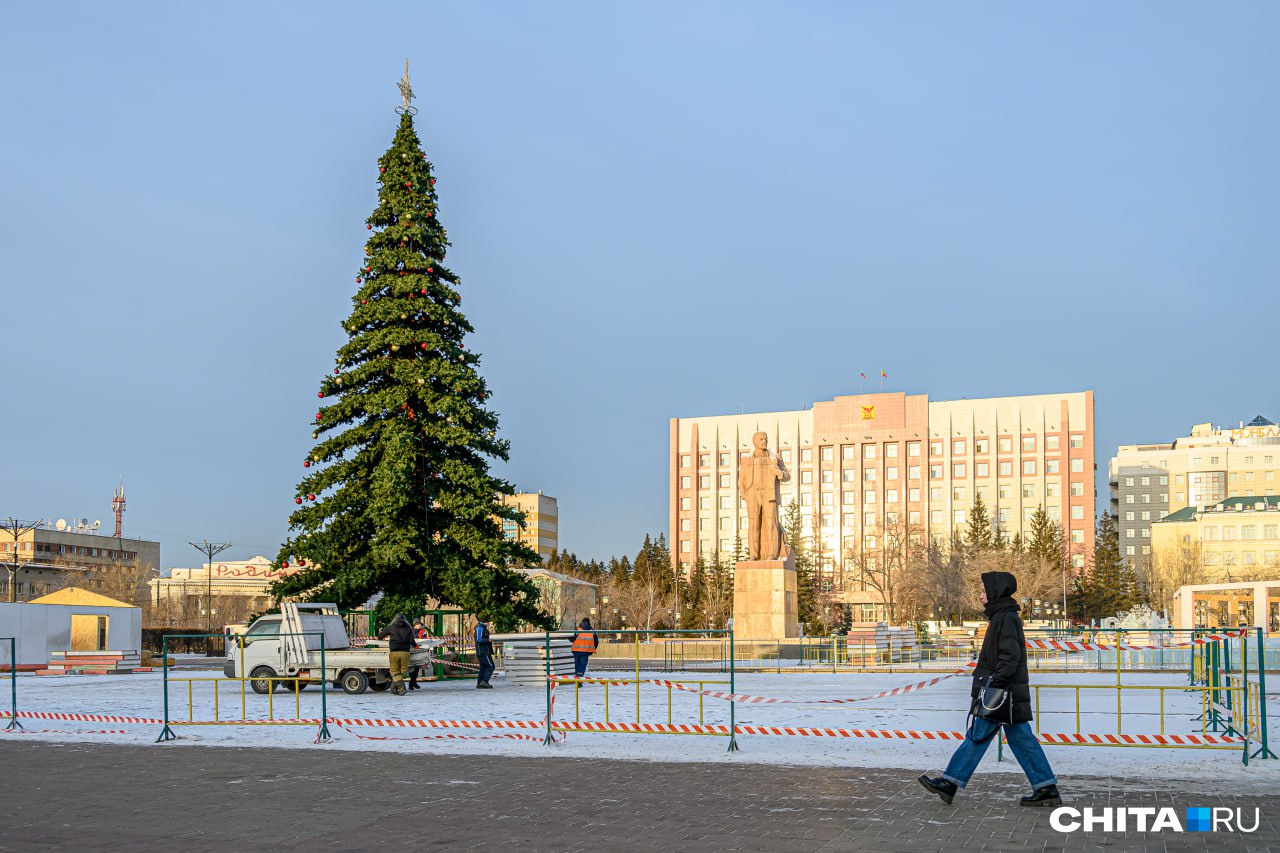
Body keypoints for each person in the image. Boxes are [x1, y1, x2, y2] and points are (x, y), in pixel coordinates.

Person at [918, 572, 1061, 807]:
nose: (981, 594)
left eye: (984, 590)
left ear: (995, 591)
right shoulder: (1003, 616)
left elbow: (1010, 656)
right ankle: (1045, 787)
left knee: (978, 735)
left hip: (1001, 693)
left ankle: (950, 783)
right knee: (1019, 739)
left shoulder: (1004, 618)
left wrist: (995, 682)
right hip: (1007, 692)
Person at [737, 431, 788, 560]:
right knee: (753, 525)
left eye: (766, 439)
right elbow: (741, 478)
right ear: (755, 442)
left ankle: (772, 554)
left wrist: (779, 473)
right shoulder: (746, 459)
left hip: (769, 493)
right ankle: (753, 555)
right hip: (753, 493)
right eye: (762, 439)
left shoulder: (774, 458)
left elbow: (787, 476)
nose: (765, 441)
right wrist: (744, 493)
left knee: (771, 524)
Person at [375, 612, 417, 696]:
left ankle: (402, 688)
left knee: (394, 671)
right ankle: (393, 689)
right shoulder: (408, 628)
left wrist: (380, 638)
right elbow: (411, 641)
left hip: (394, 652)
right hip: (405, 652)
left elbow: (380, 636)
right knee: (403, 671)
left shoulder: (391, 627)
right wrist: (416, 646)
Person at [475, 615, 495, 689]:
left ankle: (480, 683)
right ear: (485, 622)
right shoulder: (480, 628)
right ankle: (485, 681)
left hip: (482, 651)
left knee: (483, 667)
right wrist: (488, 640)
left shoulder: (482, 627)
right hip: (483, 651)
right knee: (491, 666)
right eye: (488, 622)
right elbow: (479, 639)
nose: (489, 623)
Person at [408, 621, 429, 690]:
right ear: (415, 625)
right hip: (411, 649)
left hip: (419, 649)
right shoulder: (409, 631)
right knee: (412, 668)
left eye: (420, 624)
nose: (419, 625)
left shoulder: (422, 631)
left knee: (416, 668)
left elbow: (425, 639)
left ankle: (413, 682)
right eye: (418, 624)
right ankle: (412, 683)